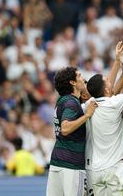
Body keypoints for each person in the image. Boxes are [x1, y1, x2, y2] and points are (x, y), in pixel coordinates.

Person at [84, 56, 123, 196]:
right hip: (116, 170)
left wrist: (121, 69)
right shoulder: (114, 103)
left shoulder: (88, 105)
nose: (110, 80)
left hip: (96, 170)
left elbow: (111, 93)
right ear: (107, 91)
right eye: (108, 81)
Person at [46, 67, 98, 196]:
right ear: (72, 82)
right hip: (71, 165)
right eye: (79, 75)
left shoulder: (62, 101)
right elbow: (65, 128)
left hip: (57, 161)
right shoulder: (71, 103)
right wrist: (87, 115)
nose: (83, 78)